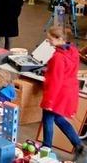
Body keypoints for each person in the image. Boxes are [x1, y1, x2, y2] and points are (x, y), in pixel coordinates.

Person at [41, 26, 86, 158]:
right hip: (69, 90)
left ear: (59, 39)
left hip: (57, 93)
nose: (48, 41)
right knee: (59, 118)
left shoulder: (58, 58)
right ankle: (78, 145)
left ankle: (46, 148)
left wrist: (49, 101)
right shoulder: (73, 51)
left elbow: (55, 80)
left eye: (50, 39)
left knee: (48, 119)